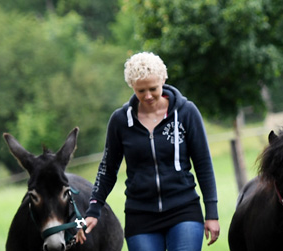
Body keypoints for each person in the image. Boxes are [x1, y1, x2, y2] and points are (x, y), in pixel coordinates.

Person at [84, 52, 219, 251]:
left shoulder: (186, 113)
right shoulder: (120, 121)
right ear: (132, 87)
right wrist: (93, 209)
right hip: (140, 216)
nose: (148, 96)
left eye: (153, 89)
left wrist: (212, 213)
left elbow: (204, 165)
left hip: (183, 210)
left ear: (163, 80)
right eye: (141, 91)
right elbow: (107, 169)